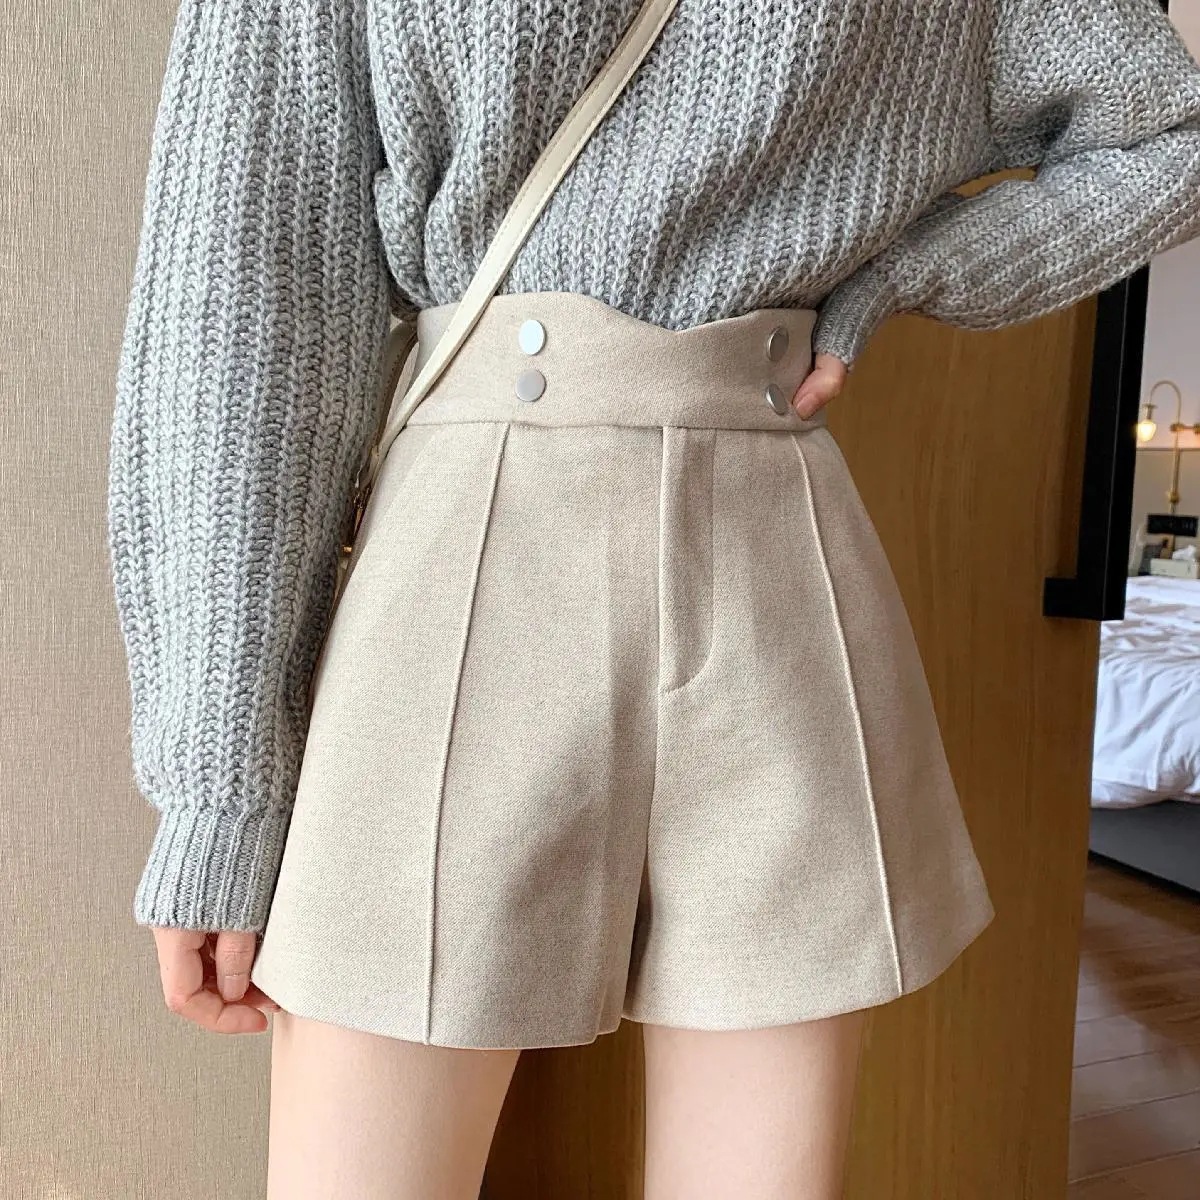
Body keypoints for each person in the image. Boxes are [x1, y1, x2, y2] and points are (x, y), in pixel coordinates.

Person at [107, 1, 1200, 1196]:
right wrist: (220, 791)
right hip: (475, 560)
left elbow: (1172, 136)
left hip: (766, 559)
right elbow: (246, 307)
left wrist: (910, 272)